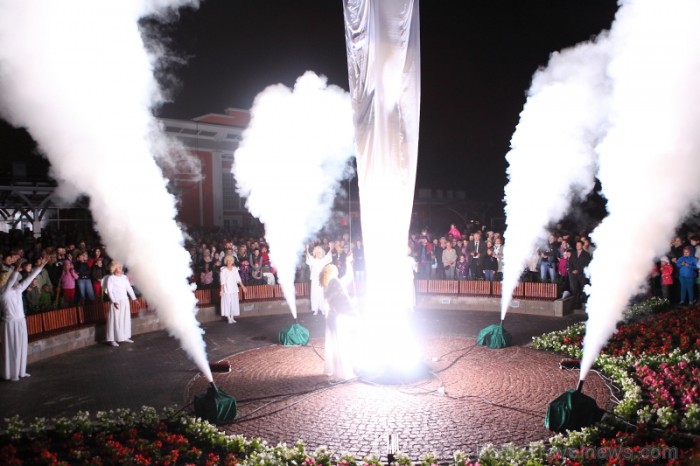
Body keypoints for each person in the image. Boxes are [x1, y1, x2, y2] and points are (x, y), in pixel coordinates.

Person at [1, 257, 47, 381]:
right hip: (10, 323)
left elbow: (29, 279)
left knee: (21, 347)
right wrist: (16, 268)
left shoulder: (17, 290)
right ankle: (11, 374)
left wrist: (40, 267)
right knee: (12, 348)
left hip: (21, 321)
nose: (15, 280)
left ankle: (21, 371)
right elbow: (10, 281)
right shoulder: (3, 293)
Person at [320, 260, 357, 381]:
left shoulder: (328, 285)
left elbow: (347, 279)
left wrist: (348, 263)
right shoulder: (334, 282)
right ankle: (343, 373)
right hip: (338, 317)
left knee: (335, 345)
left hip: (331, 318)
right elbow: (343, 298)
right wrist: (353, 312)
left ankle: (337, 371)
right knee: (341, 344)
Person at [104, 261, 139, 347]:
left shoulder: (124, 277)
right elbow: (110, 291)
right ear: (114, 268)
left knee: (125, 318)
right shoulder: (111, 278)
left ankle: (124, 336)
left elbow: (129, 288)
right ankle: (112, 339)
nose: (120, 268)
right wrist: (114, 301)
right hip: (116, 302)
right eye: (118, 267)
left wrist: (135, 299)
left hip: (124, 301)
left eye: (120, 267)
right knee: (115, 320)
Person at [306, 243, 333, 315]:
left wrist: (330, 248)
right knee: (315, 294)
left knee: (322, 294)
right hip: (315, 280)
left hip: (321, 280)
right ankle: (315, 309)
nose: (318, 254)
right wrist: (307, 249)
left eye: (319, 253)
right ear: (315, 253)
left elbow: (328, 256)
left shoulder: (323, 260)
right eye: (317, 253)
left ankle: (323, 309)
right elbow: (308, 257)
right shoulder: (313, 260)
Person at [220, 255, 247, 323]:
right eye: (228, 260)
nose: (229, 262)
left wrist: (243, 287)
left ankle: (232, 317)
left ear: (232, 261)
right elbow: (222, 281)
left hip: (234, 289)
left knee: (233, 303)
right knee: (227, 303)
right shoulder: (223, 270)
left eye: (231, 260)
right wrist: (221, 290)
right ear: (226, 261)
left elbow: (238, 279)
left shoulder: (235, 269)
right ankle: (228, 318)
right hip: (226, 289)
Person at [567, 241, 592, 310]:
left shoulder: (586, 254)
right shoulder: (573, 254)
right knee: (575, 290)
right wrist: (572, 270)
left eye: (579, 245)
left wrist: (579, 270)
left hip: (582, 275)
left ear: (582, 246)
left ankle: (586, 304)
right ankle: (577, 304)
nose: (578, 246)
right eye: (577, 245)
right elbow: (570, 263)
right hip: (574, 275)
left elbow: (587, 265)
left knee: (584, 289)